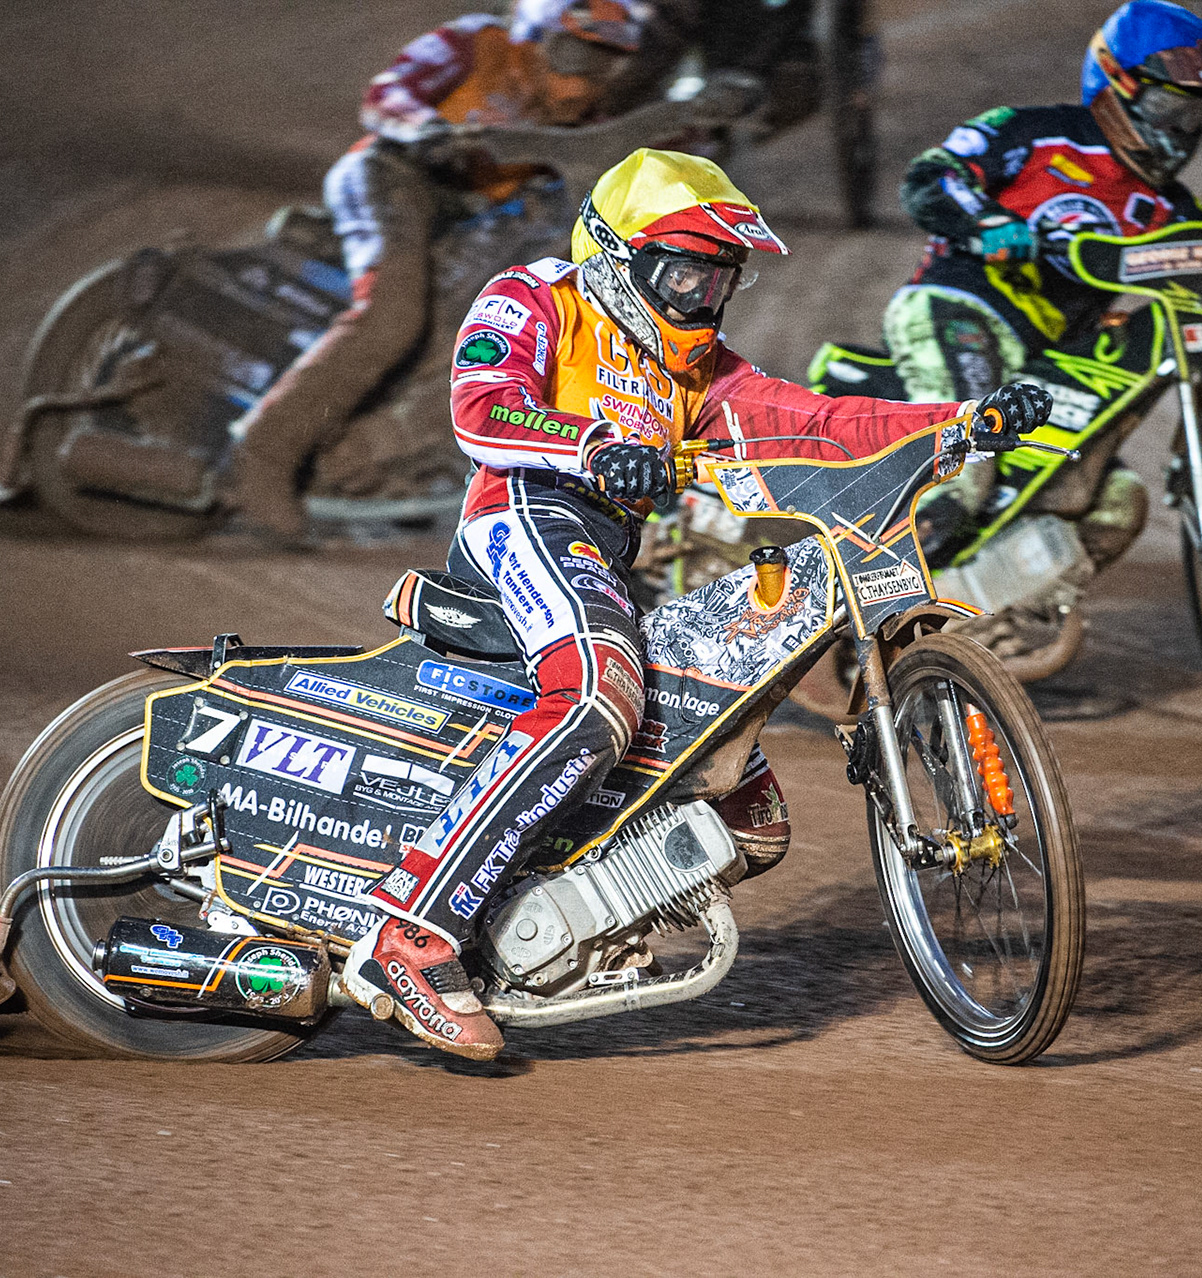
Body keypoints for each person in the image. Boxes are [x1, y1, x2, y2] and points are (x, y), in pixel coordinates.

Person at [340, 148, 1053, 1059]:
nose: (700, 299)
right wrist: (592, 443)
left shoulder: (704, 371)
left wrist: (962, 420)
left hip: (602, 555)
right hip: (523, 516)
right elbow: (480, 407)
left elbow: (820, 421)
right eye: (682, 273)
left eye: (717, 280)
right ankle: (412, 930)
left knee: (745, 810)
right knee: (602, 694)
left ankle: (552, 918)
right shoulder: (537, 296)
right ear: (615, 257)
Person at [882, 0, 1202, 564]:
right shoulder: (1031, 132)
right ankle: (861, 597)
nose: (1180, 133)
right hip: (960, 308)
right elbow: (929, 177)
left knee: (1119, 504)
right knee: (966, 471)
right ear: (1115, 84)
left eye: (1196, 117)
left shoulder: (1171, 205)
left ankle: (1002, 626)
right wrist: (987, 221)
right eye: (1167, 108)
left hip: (1053, 357)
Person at [218, 0, 707, 542]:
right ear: (539, 34)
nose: (585, 75)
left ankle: (377, 462)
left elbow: (645, 153)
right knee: (393, 316)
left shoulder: (589, 119)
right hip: (395, 173)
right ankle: (259, 456)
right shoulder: (477, 42)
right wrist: (425, 128)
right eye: (575, 50)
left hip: (472, 218)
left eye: (604, 61)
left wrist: (705, 116)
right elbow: (385, 94)